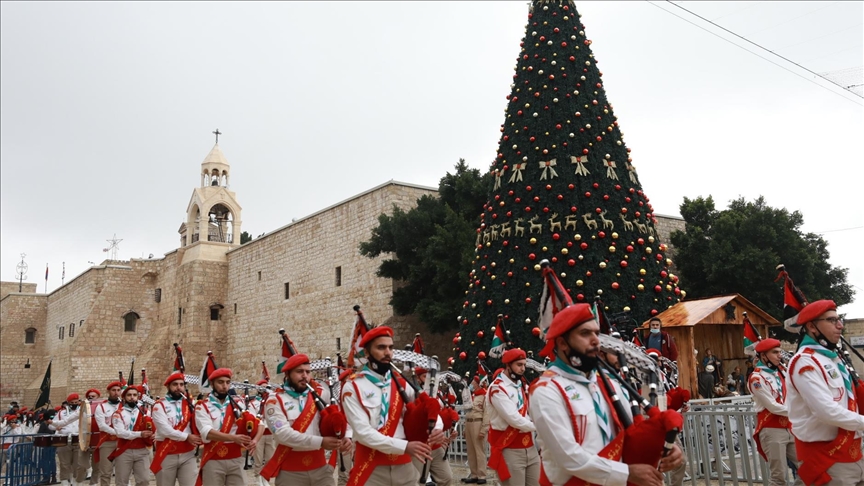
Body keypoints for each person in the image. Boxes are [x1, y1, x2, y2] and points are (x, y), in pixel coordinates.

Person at [529, 304, 683, 486]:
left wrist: (665, 446)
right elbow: (567, 456)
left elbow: (633, 430)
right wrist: (626, 473)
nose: (595, 340)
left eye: (596, 333)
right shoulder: (546, 390)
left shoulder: (611, 383)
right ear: (562, 343)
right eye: (585, 333)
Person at [341, 326, 445, 486]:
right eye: (381, 347)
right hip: (371, 467)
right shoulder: (353, 386)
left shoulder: (402, 383)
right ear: (367, 353)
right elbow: (363, 432)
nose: (388, 352)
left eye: (390, 347)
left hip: (404, 466)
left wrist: (437, 426)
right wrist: (404, 446)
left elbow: (426, 406)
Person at [786, 300, 864, 486]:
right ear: (812, 327)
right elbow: (826, 411)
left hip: (855, 451)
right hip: (828, 457)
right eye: (831, 320)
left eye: (839, 319)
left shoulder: (833, 358)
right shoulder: (805, 362)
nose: (840, 325)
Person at [261, 352, 348, 486]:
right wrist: (320, 442)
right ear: (288, 374)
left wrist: (344, 436)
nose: (305, 376)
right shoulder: (275, 400)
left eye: (308, 372)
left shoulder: (322, 394)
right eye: (299, 371)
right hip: (290, 473)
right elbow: (282, 435)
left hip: (321, 470)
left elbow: (336, 417)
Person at [748, 339, 801, 486]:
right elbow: (772, 406)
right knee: (779, 477)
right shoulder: (756, 378)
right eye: (775, 352)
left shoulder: (781, 373)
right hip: (771, 428)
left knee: (807, 468)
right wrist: (799, 412)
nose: (779, 355)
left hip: (790, 426)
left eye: (779, 352)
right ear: (763, 356)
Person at [195, 368, 258, 486]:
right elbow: (207, 432)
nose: (225, 386)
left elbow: (260, 424)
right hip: (213, 458)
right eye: (220, 382)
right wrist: (233, 438)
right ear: (212, 384)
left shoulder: (239, 403)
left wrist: (255, 440)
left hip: (236, 458)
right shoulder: (202, 406)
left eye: (228, 382)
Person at [487, 348, 539, 486]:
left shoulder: (521, 385)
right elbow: (514, 419)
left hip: (530, 446)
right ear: (508, 365)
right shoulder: (497, 388)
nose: (523, 369)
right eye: (519, 365)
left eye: (524, 365)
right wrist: (540, 426)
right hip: (509, 448)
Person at [150, 372, 201, 486]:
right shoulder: (159, 405)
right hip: (167, 453)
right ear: (168, 386)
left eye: (181, 384)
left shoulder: (190, 403)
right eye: (175, 384)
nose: (179, 387)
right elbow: (164, 430)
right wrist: (187, 436)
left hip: (188, 453)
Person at [412, 367, 454, 486]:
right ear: (418, 379)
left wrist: (449, 426)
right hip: (420, 445)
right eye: (425, 376)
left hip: (435, 446)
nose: (428, 379)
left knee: (447, 478)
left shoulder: (436, 396)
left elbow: (439, 417)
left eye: (429, 377)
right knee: (417, 481)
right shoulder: (412, 394)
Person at [111, 385, 153, 486]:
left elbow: (152, 427)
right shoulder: (118, 413)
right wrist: (140, 434)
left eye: (134, 395)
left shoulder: (145, 412)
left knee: (144, 480)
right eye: (129, 395)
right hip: (124, 451)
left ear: (138, 397)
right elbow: (120, 433)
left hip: (142, 450)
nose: (132, 397)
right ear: (124, 397)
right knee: (121, 482)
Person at [48, 392, 88, 486]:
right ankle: (64, 481)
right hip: (64, 440)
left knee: (78, 463)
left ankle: (76, 481)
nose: (74, 404)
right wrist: (56, 427)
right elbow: (51, 425)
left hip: (79, 440)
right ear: (68, 403)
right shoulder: (61, 413)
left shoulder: (83, 412)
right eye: (72, 402)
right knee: (64, 464)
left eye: (76, 402)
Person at [93, 381, 123, 486]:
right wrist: (117, 432)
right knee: (106, 472)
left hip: (123, 442)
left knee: (123, 471)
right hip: (107, 441)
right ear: (108, 391)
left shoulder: (125, 405)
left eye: (118, 390)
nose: (116, 392)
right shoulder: (101, 407)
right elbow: (101, 425)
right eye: (113, 390)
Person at [461, 376, 490, 484]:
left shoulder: (484, 396)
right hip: (469, 423)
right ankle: (474, 474)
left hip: (478, 423)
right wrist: (465, 428)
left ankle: (482, 475)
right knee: (471, 451)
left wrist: (484, 429)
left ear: (478, 384)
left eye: (473, 383)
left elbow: (487, 413)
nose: (471, 385)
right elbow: (468, 412)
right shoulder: (471, 396)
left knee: (479, 450)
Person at [249, 380, 276, 486]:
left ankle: (265, 477)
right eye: (263, 387)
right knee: (258, 459)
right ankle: (258, 477)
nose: (265, 389)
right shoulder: (253, 402)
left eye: (266, 387)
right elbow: (253, 417)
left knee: (270, 458)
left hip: (270, 433)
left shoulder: (272, 401)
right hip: (259, 433)